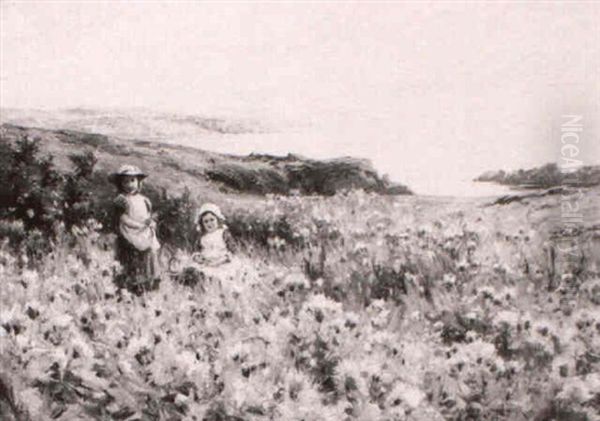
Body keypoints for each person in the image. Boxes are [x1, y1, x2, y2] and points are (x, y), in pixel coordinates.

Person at [110, 164, 160, 294]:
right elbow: (123, 219)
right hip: (129, 233)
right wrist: (138, 225)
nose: (129, 184)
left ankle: (148, 283)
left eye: (132, 180)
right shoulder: (122, 200)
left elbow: (148, 216)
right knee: (131, 258)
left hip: (144, 233)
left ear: (138, 182)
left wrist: (150, 223)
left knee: (148, 255)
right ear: (120, 184)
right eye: (125, 181)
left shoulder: (144, 200)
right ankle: (130, 286)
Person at [192, 203, 235, 267]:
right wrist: (198, 258)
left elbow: (232, 250)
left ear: (217, 219)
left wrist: (220, 261)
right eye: (206, 221)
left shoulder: (223, 233)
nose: (209, 223)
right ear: (202, 224)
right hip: (206, 262)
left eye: (212, 220)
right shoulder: (202, 236)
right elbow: (196, 250)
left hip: (222, 263)